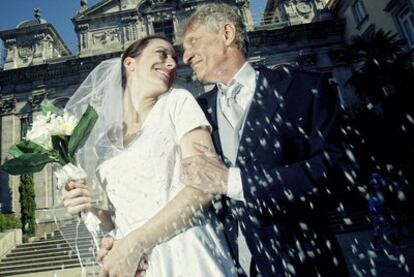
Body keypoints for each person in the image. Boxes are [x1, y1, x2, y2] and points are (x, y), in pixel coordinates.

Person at [179, 3, 349, 276]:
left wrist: (233, 182)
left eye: (193, 43)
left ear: (227, 34)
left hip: (303, 263)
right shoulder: (197, 112)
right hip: (229, 265)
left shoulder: (304, 88)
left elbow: (336, 172)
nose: (185, 56)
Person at [60, 35, 236, 276]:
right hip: (134, 265)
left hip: (184, 251)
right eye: (162, 54)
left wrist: (135, 244)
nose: (173, 63)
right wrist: (87, 208)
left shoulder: (178, 102)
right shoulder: (103, 143)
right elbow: (117, 218)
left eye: (174, 59)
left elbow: (205, 186)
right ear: (129, 63)